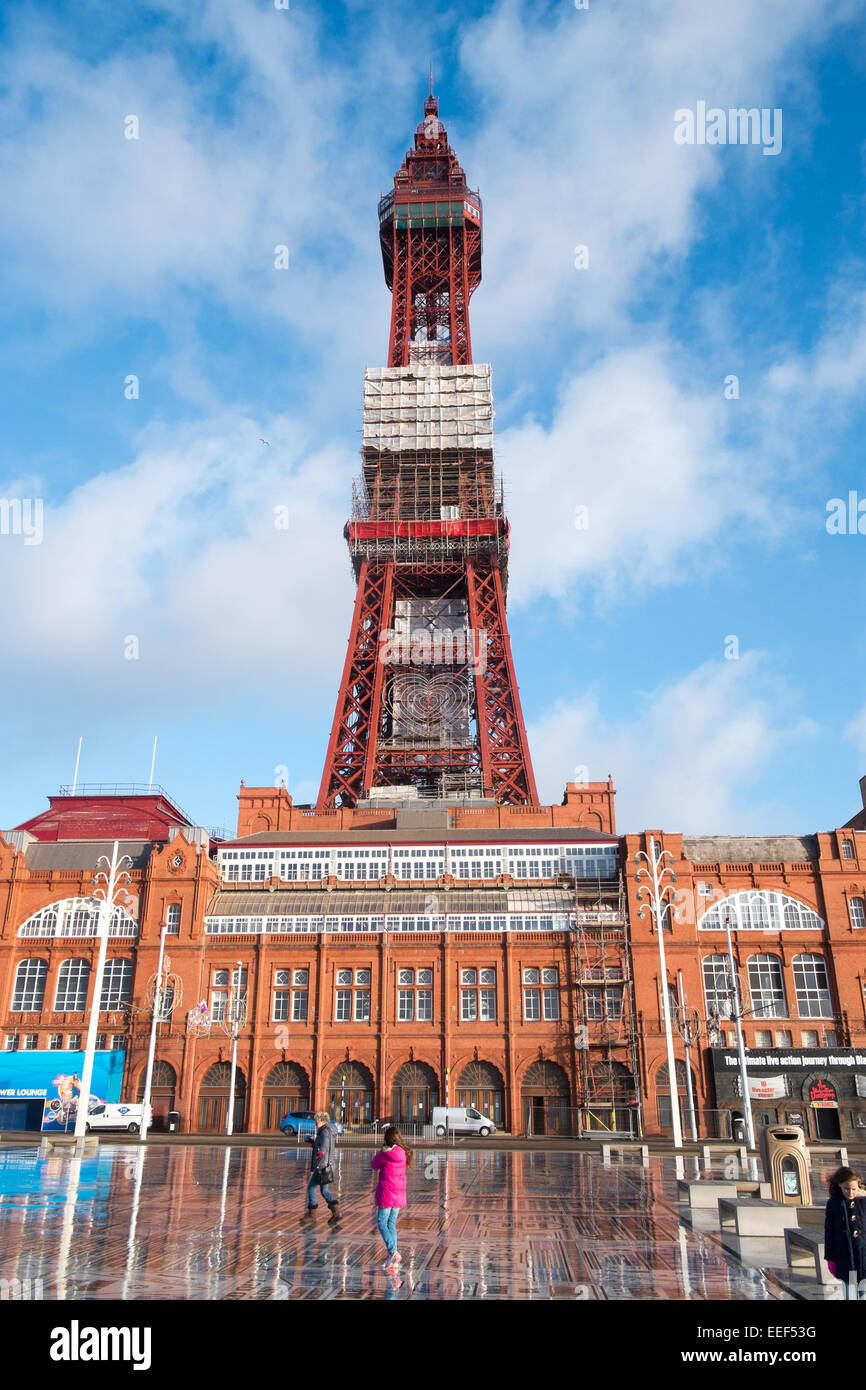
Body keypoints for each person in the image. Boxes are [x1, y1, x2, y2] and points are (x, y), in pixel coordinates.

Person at [371, 1124, 411, 1272]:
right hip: (399, 1193)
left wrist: (380, 1152)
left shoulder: (384, 1154)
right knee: (391, 1223)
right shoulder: (403, 1153)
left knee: (382, 1223)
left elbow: (374, 1165)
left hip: (387, 1193)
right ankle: (393, 1254)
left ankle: (393, 1252)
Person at [824, 1165, 866, 1298]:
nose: (850, 1193)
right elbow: (829, 1232)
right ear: (839, 1186)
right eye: (846, 1189)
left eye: (854, 1189)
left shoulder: (864, 1201)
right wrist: (830, 1258)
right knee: (850, 1294)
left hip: (864, 1257)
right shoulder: (834, 1203)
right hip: (845, 1258)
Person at [302, 1110, 341, 1225]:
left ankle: (312, 1215)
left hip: (323, 1166)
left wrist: (320, 1154)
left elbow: (324, 1146)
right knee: (324, 1191)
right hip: (326, 1165)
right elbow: (322, 1144)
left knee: (311, 1188)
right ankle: (336, 1213)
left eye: (316, 1121)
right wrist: (312, 1142)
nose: (315, 1123)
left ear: (321, 1121)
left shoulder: (324, 1132)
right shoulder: (325, 1131)